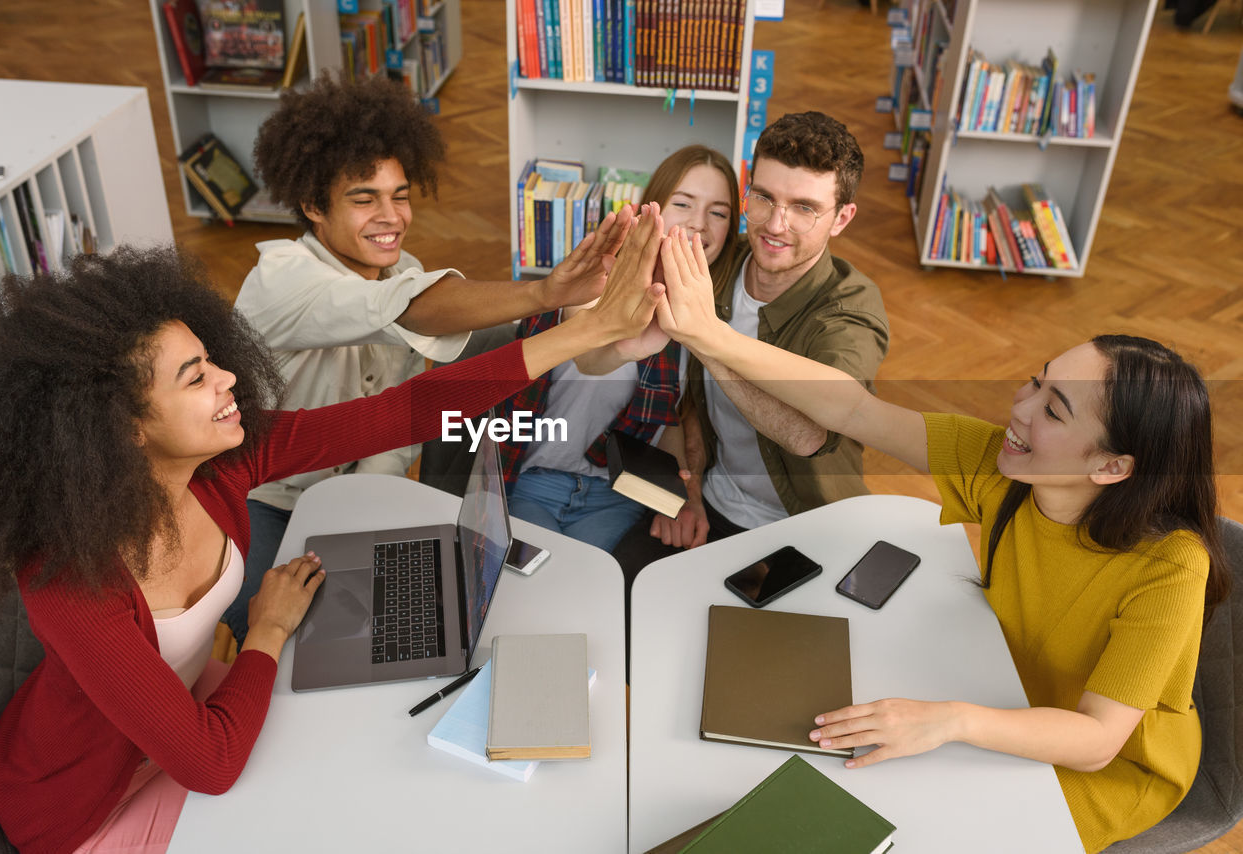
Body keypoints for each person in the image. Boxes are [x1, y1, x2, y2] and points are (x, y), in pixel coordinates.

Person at [0, 230, 664, 852]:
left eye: (212, 359)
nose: (230, 379)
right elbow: (210, 765)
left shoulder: (220, 462)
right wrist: (264, 631)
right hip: (82, 809)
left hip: (184, 722)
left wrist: (581, 332)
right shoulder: (70, 580)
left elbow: (403, 411)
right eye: (195, 377)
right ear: (121, 426)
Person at [654, 227, 1228, 852]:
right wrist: (710, 335)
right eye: (1036, 381)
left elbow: (1096, 741)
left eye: (1055, 409)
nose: (1019, 406)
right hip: (1000, 681)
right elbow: (850, 410)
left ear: (1113, 467)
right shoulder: (1001, 466)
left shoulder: (1172, 566)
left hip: (1100, 767)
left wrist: (951, 720)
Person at [227, 73, 631, 644]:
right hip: (262, 502)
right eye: (364, 199)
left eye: (400, 195)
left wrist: (367, 516)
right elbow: (402, 311)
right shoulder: (281, 279)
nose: (390, 216)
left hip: (349, 489)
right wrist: (546, 292)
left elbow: (393, 427)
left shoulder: (402, 266)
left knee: (403, 621)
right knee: (303, 642)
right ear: (313, 205)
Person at [606, 111, 890, 584]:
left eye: (804, 208)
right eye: (764, 198)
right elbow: (691, 400)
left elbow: (806, 436)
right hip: (711, 504)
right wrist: (690, 492)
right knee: (622, 587)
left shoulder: (850, 312)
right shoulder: (720, 260)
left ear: (842, 218)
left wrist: (706, 336)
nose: (775, 226)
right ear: (747, 192)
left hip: (808, 529)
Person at [497, 144, 740, 551]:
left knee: (596, 600)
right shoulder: (598, 276)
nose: (700, 225)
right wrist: (626, 344)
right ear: (651, 212)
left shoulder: (698, 313)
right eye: (684, 204)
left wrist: (683, 497)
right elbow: (588, 355)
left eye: (718, 212)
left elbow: (666, 418)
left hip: (613, 496)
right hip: (532, 484)